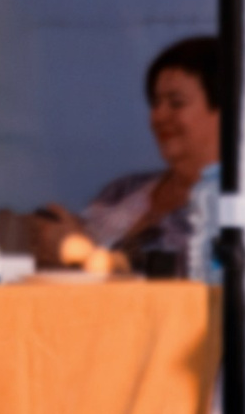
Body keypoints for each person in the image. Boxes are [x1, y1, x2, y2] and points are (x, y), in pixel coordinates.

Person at [29, 35, 223, 276]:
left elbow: (189, 285)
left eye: (176, 103)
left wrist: (78, 251)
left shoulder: (228, 209)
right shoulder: (123, 190)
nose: (158, 116)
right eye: (155, 102)